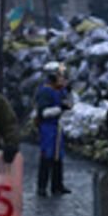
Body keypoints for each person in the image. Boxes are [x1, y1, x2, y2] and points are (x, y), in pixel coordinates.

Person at [35, 62, 73, 196]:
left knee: (58, 156)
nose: (63, 79)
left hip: (57, 127)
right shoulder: (45, 91)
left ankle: (57, 185)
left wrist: (68, 93)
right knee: (47, 155)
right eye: (60, 76)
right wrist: (60, 108)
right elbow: (44, 113)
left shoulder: (59, 90)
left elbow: (68, 102)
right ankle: (42, 186)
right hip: (48, 128)